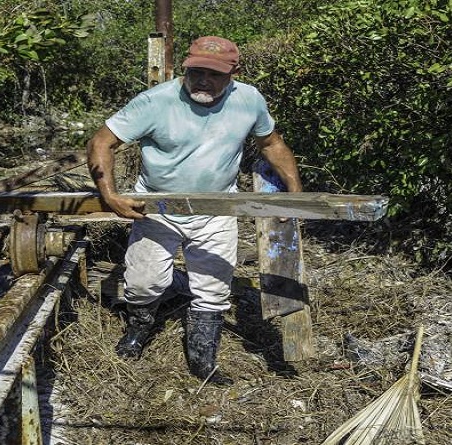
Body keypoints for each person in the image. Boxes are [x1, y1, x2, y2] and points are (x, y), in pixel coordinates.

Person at [86, 36, 302, 385]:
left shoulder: (248, 100)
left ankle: (203, 360)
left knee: (214, 286)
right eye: (196, 71)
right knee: (143, 283)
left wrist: (294, 191)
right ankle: (138, 330)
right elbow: (102, 142)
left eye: (214, 74)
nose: (203, 80)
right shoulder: (156, 102)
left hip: (217, 206)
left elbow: (271, 143)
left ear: (234, 73)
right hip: (158, 204)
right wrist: (110, 195)